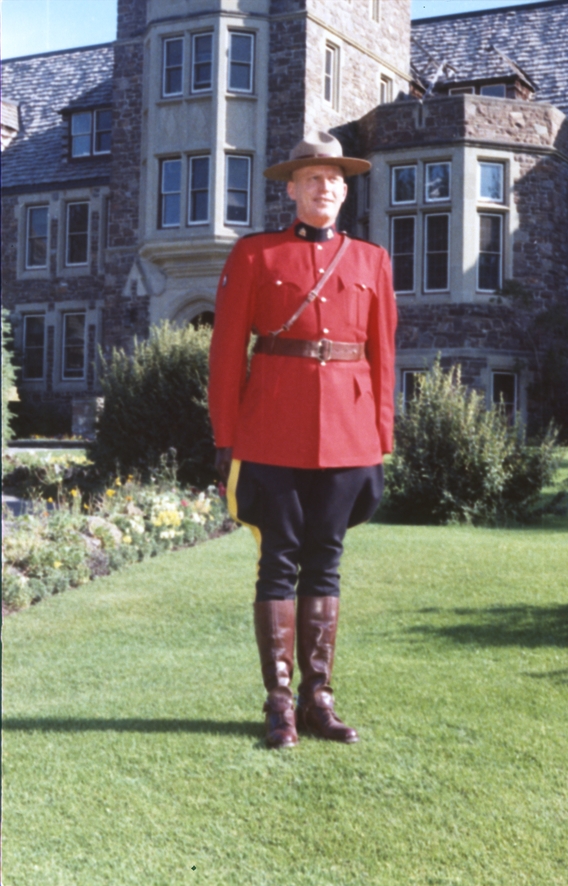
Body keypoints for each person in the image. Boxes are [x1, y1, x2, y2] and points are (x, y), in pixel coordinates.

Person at [208, 131, 397, 749]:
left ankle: (320, 699)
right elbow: (226, 350)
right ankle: (280, 704)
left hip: (349, 431)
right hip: (272, 430)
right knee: (278, 561)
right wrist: (226, 436)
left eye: (335, 179)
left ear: (346, 190)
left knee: (327, 559)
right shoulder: (256, 256)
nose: (325, 187)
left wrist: (381, 436)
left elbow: (383, 354)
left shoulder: (371, 260)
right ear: (290, 189)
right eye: (312, 177)